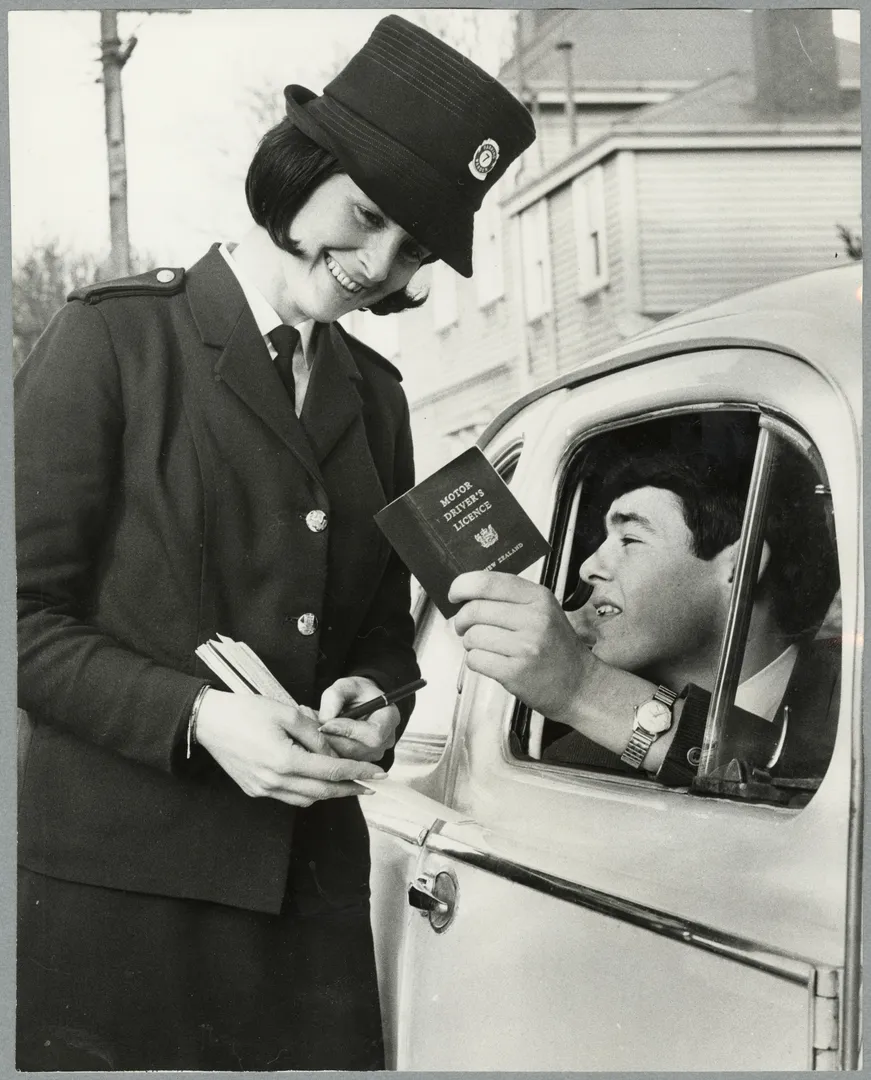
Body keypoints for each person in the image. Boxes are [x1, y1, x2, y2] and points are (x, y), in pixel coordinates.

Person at [15, 15, 535, 1071]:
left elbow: (381, 637)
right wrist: (199, 720)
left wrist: (377, 703)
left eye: (415, 249)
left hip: (309, 904)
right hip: (124, 908)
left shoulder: (376, 397)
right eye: (367, 216)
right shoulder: (113, 339)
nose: (377, 268)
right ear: (298, 170)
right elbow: (22, 623)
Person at [449, 443, 839, 788]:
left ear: (741, 566)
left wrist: (583, 685)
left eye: (631, 540)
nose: (587, 567)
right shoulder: (580, 757)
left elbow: (822, 788)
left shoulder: (854, 694)